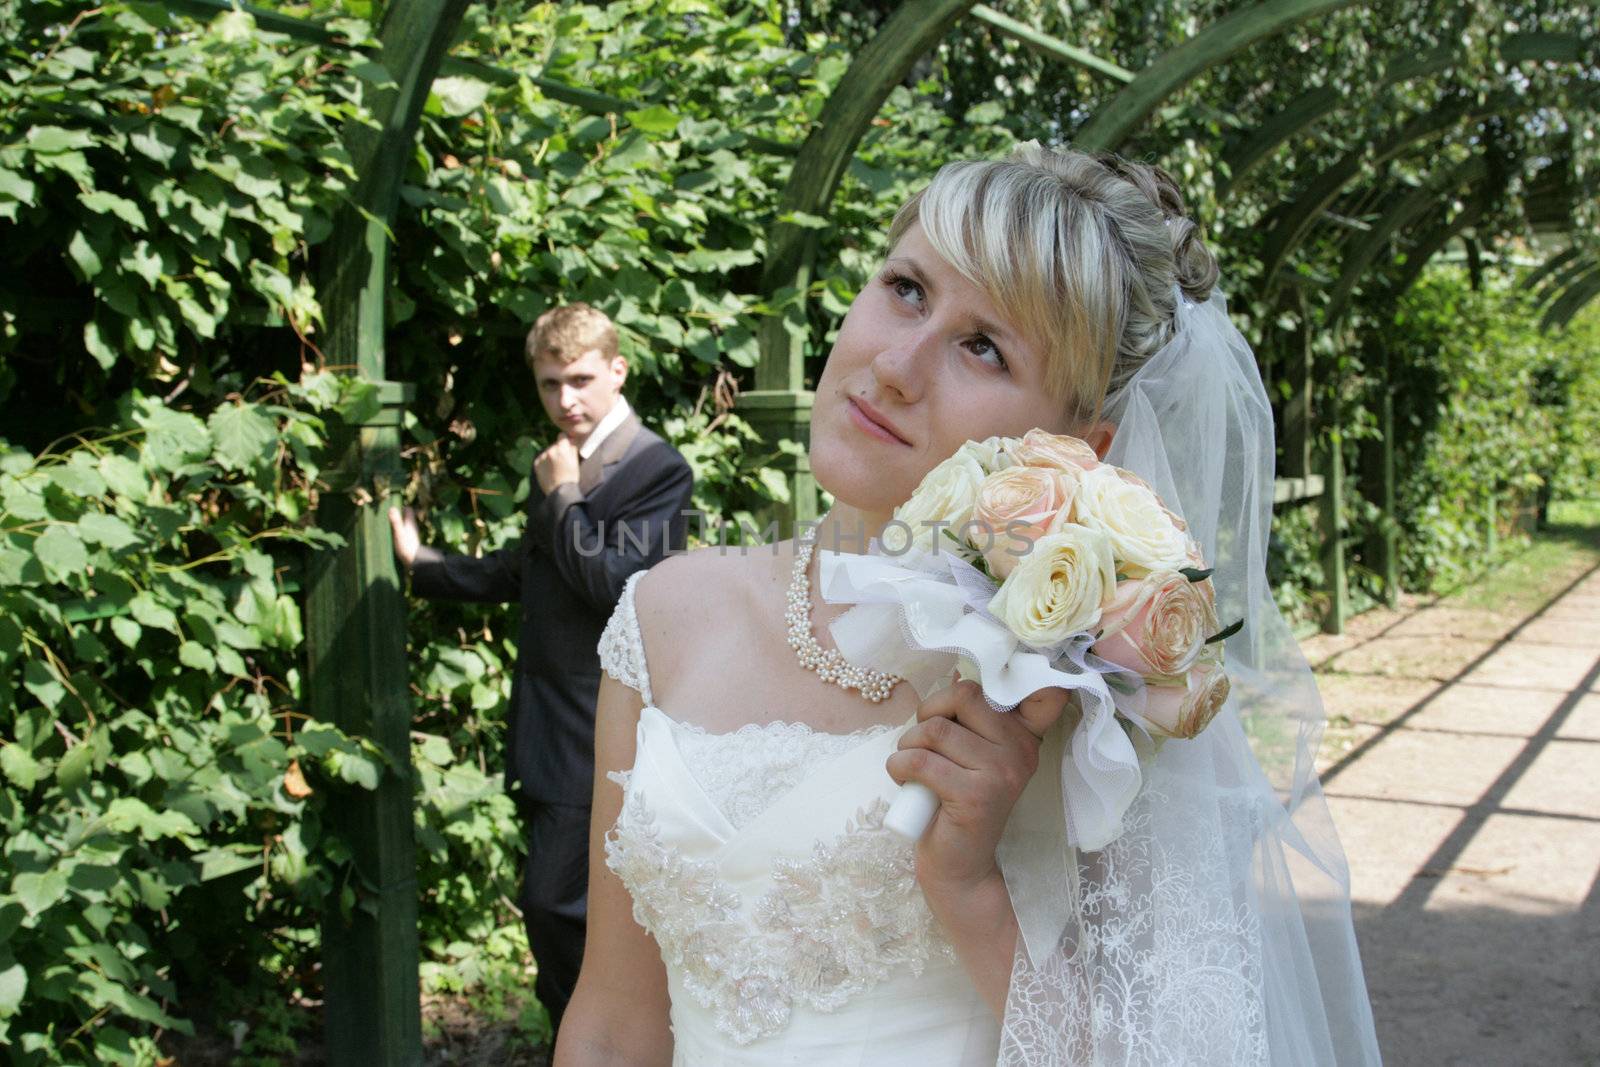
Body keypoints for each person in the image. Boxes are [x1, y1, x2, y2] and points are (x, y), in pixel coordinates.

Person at [554, 145, 1381, 1065]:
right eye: (906, 288)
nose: (897, 364)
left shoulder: (1089, 703)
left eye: (983, 345)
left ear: (1078, 446)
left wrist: (970, 887)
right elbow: (610, 1022)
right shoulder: (664, 615)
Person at [388, 302, 694, 1035]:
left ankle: (600, 1040)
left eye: (582, 379)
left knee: (557, 906)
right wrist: (422, 565)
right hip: (547, 721)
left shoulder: (658, 469)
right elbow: (533, 573)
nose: (566, 401)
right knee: (568, 909)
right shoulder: (558, 460)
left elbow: (615, 585)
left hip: (604, 727)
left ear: (617, 370)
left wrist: (562, 493)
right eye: (551, 384)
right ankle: (595, 1039)